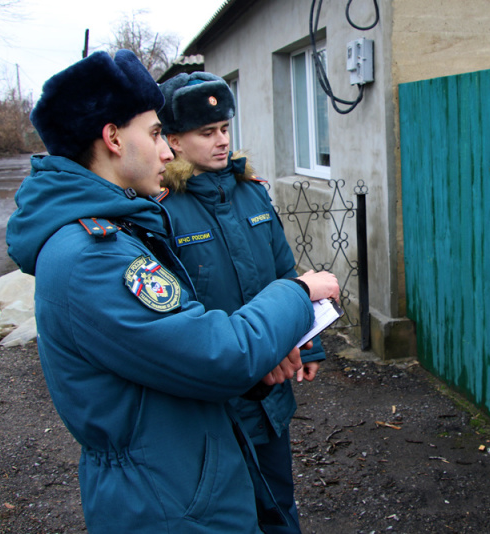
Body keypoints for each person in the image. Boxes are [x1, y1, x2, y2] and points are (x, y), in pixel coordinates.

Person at [6, 50, 339, 533]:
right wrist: (297, 292)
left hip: (187, 465)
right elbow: (214, 352)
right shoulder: (93, 256)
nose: (167, 151)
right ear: (113, 138)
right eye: (157, 133)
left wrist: (295, 336)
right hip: (167, 498)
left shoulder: (119, 231)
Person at [156, 71, 326, 533]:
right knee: (229, 510)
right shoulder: (162, 209)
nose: (221, 142)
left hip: (273, 387)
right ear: (173, 140)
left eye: (225, 129)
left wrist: (307, 346)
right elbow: (175, 314)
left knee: (279, 501)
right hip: (216, 400)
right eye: (206, 132)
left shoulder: (252, 192)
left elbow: (284, 277)